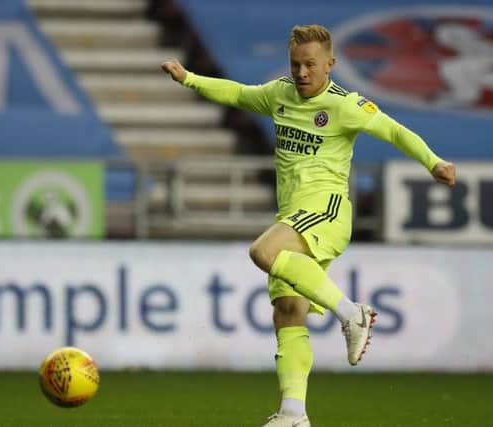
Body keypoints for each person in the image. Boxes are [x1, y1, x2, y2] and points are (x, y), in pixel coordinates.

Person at [162, 24, 456, 427]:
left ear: (331, 65)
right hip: (293, 216)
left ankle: (352, 314)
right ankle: (293, 415)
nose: (302, 73)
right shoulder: (280, 93)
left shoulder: (345, 105)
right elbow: (237, 93)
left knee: (263, 252)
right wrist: (189, 79)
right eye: (296, 64)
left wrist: (433, 162)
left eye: (311, 65)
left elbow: (394, 130)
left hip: (328, 212)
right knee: (287, 310)